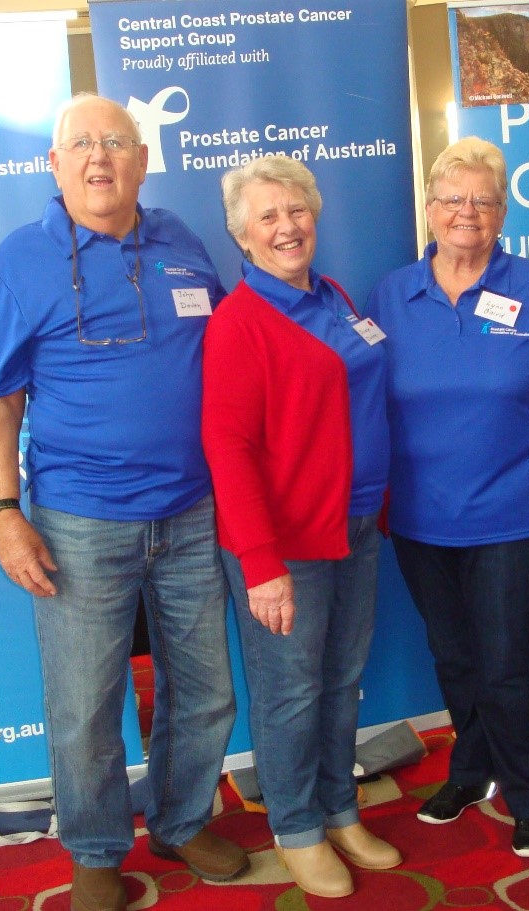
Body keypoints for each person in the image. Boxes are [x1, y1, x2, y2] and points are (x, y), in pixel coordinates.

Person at [0, 94, 247, 911]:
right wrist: (3, 511)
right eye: (82, 146)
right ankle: (96, 848)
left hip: (195, 510)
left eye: (117, 144)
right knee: (88, 700)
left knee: (205, 687)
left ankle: (181, 818)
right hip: (79, 520)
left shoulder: (182, 242)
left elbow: (234, 354)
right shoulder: (18, 261)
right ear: (54, 166)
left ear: (142, 159)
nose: (100, 159)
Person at [366, 137, 529, 859]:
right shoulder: (391, 294)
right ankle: (472, 765)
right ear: (428, 209)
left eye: (482, 200)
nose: (466, 212)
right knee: (453, 655)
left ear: (503, 211)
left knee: (507, 659)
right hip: (422, 514)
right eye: (452, 199)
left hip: (516, 511)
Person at [201, 155, 399, 900]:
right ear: (242, 237)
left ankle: (339, 807)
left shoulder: (336, 295)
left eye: (297, 211)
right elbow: (229, 447)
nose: (287, 226)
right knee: (289, 691)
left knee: (342, 680)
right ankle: (297, 826)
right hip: (285, 543)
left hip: (356, 525)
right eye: (268, 217)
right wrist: (260, 561)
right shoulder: (239, 322)